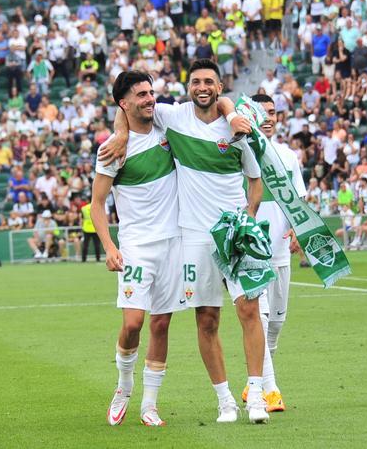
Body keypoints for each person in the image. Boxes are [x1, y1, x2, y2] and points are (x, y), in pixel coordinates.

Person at [101, 59, 267, 423]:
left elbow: (256, 181)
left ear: (220, 88)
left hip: (235, 233)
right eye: (196, 82)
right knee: (206, 319)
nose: (202, 87)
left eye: (210, 82)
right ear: (188, 87)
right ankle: (225, 401)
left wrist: (250, 220)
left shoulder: (239, 128)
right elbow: (126, 108)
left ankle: (257, 394)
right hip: (192, 236)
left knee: (249, 310)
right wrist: (122, 135)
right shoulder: (172, 117)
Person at [91, 71, 182, 427]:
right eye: (141, 95)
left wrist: (124, 127)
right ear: (124, 103)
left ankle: (150, 404)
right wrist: (109, 247)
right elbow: (97, 205)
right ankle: (124, 384)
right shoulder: (113, 149)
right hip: (137, 246)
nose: (149, 99)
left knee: (161, 325)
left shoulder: (168, 129)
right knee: (133, 323)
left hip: (174, 243)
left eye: (151, 92)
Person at [250, 93, 306, 412]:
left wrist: (298, 229)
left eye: (272, 112)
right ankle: (270, 390)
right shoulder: (242, 152)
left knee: (275, 326)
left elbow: (298, 199)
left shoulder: (288, 156)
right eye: (262, 113)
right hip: (252, 254)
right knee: (259, 318)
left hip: (281, 252)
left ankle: (254, 380)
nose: (269, 118)